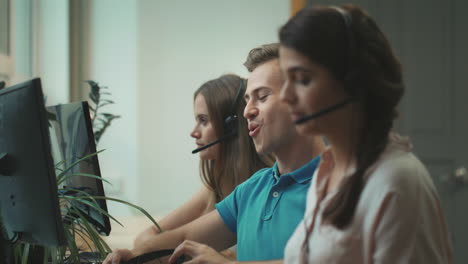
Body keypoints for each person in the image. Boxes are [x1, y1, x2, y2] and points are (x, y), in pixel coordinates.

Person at [103, 44, 326, 264]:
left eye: (262, 96)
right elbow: (183, 238)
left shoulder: (340, 185)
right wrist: (135, 256)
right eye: (248, 100)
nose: (247, 111)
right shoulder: (254, 188)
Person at [278, 4, 454, 263]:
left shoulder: (397, 182)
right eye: (285, 79)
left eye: (302, 79)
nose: (285, 96)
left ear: (353, 81)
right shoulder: (326, 171)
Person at [134, 74, 274, 250]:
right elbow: (145, 239)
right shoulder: (214, 186)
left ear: (231, 126)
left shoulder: (264, 187)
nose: (194, 132)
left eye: (203, 121)